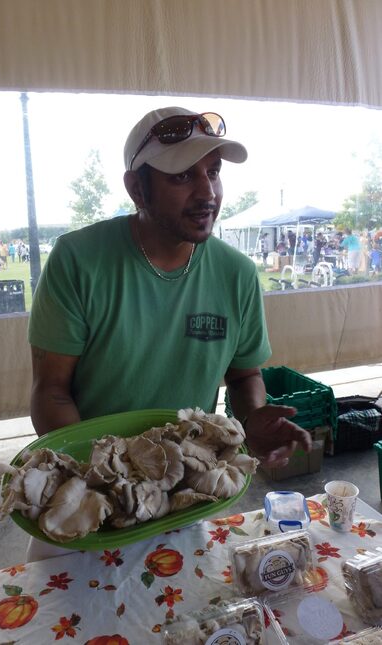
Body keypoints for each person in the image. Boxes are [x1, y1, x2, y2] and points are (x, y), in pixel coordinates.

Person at [29, 106, 311, 467]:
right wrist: (99, 476)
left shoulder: (236, 273)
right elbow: (51, 391)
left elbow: (244, 376)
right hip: (95, 471)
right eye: (181, 176)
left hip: (188, 472)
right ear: (136, 189)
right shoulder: (78, 260)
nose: (207, 192)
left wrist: (253, 416)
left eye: (213, 172)